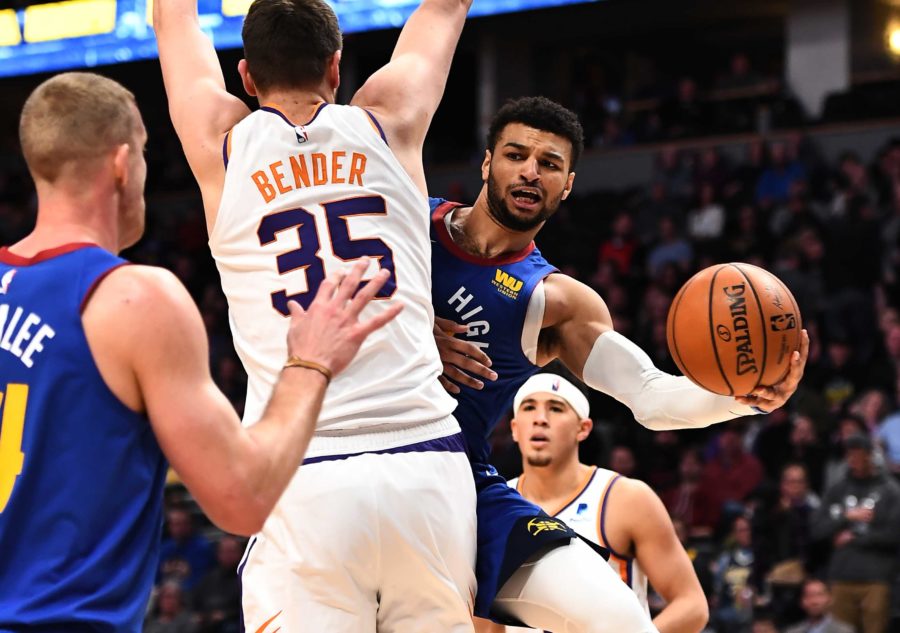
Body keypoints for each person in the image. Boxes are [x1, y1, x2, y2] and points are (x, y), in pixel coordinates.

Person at [0, 72, 399, 632]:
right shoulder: (134, 297)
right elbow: (242, 499)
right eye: (143, 153)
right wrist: (310, 362)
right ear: (121, 163)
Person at [153, 0, 477, 629]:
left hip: (303, 470)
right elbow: (447, 5)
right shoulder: (390, 119)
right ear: (337, 65)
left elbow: (173, 20)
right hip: (425, 461)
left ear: (246, 77)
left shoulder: (220, 148)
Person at [429, 96, 808, 631]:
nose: (531, 172)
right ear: (488, 162)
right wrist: (411, 334)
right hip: (345, 454)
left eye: (550, 164)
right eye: (517, 155)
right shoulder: (407, 218)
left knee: (622, 621)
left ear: (568, 185)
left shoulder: (556, 301)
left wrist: (742, 396)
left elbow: (650, 397)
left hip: (459, 481)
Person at [500, 373, 709, 633]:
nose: (540, 419)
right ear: (514, 428)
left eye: (556, 408)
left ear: (583, 428)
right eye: (529, 407)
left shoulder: (626, 498)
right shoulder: (492, 506)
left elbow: (691, 605)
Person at [811, 433, 900, 633]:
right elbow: (817, 529)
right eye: (851, 454)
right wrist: (847, 517)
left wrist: (855, 538)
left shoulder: (891, 491)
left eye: (860, 454)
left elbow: (894, 535)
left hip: (877, 577)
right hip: (841, 575)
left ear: (871, 456)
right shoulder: (837, 490)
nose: (855, 459)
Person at [785, 578, 856, 633]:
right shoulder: (792, 631)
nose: (814, 601)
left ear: (830, 599)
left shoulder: (844, 631)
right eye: (809, 596)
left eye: (819, 595)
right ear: (802, 601)